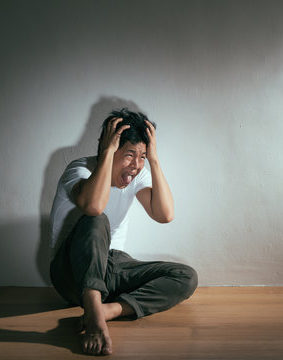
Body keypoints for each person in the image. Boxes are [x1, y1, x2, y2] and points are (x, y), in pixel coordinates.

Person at [49, 108, 197, 355]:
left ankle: (105, 311)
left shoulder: (137, 174)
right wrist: (107, 152)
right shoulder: (79, 170)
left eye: (142, 157)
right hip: (70, 273)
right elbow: (93, 206)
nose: (136, 166)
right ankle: (94, 313)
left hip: (111, 267)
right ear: (109, 147)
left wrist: (154, 161)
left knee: (185, 276)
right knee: (96, 219)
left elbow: (165, 214)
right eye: (130, 155)